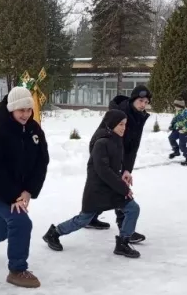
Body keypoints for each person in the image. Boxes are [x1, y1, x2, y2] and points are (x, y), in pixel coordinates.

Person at [0, 87, 50, 289]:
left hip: (19, 191)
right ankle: (17, 270)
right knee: (20, 222)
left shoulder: (34, 130)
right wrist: (14, 195)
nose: (25, 114)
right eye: (21, 110)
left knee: (3, 229)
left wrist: (28, 190)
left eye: (28, 110)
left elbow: (42, 162)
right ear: (12, 109)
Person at [43, 109, 141, 258]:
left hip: (111, 187)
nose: (123, 128)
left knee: (132, 208)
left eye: (125, 124)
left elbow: (114, 166)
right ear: (111, 124)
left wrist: (123, 174)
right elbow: (103, 171)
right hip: (97, 191)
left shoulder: (116, 139)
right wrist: (123, 188)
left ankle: (123, 242)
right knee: (83, 219)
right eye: (120, 124)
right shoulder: (101, 143)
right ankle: (54, 233)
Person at [85, 84, 150, 242]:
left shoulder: (139, 116)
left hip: (118, 156)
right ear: (133, 99)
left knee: (108, 189)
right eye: (140, 101)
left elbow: (133, 147)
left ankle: (90, 217)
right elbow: (100, 137)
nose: (143, 105)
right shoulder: (120, 113)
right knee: (118, 189)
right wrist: (109, 163)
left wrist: (127, 169)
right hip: (107, 155)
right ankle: (124, 229)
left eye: (146, 102)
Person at [167, 99, 187, 166]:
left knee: (182, 145)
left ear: (180, 106)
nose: (175, 107)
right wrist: (172, 125)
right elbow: (175, 118)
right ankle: (176, 152)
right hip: (179, 128)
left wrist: (182, 129)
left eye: (176, 106)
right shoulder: (178, 110)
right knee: (171, 138)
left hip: (186, 130)